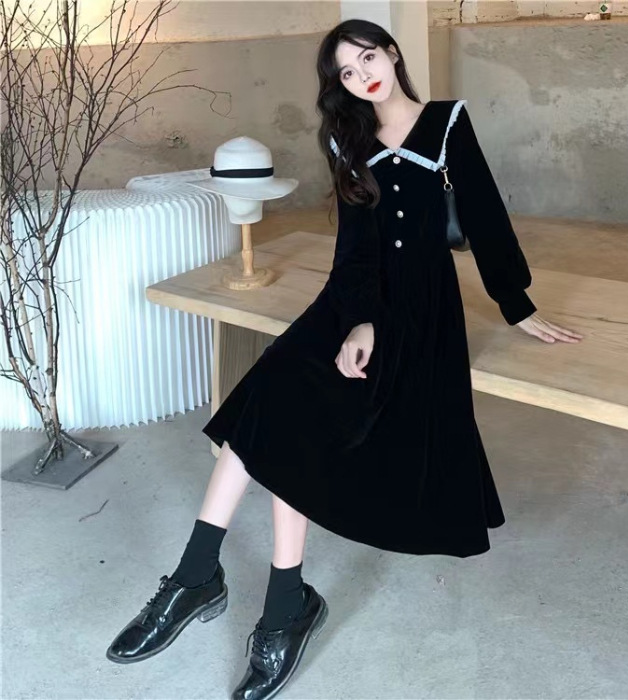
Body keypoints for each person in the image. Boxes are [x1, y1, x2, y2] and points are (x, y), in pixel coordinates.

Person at [106, 18, 583, 700]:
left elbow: (484, 218)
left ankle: (252, 596)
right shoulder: (347, 138)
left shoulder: (447, 123)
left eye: (367, 59)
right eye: (348, 73)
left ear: (391, 51)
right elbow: (354, 246)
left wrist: (518, 306)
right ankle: (208, 578)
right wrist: (359, 319)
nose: (362, 78)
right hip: (353, 298)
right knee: (271, 395)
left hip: (422, 310)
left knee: (290, 422)